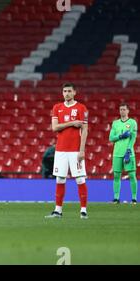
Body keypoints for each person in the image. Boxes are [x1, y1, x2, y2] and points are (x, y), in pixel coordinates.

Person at [45, 83, 89, 219]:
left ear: (75, 92)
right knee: (60, 178)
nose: (67, 93)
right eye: (64, 91)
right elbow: (54, 128)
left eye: (69, 91)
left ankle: (83, 211)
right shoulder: (57, 107)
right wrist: (71, 123)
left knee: (80, 179)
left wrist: (82, 150)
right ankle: (58, 210)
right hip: (61, 150)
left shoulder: (81, 108)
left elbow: (85, 130)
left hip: (75, 150)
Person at [109, 103, 137, 205]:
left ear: (128, 111)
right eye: (121, 109)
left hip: (128, 153)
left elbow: (133, 138)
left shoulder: (133, 122)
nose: (122, 111)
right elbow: (111, 138)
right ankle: (116, 198)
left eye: (124, 109)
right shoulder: (115, 123)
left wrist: (128, 150)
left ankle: (134, 198)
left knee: (132, 175)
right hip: (117, 153)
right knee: (116, 176)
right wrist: (121, 136)